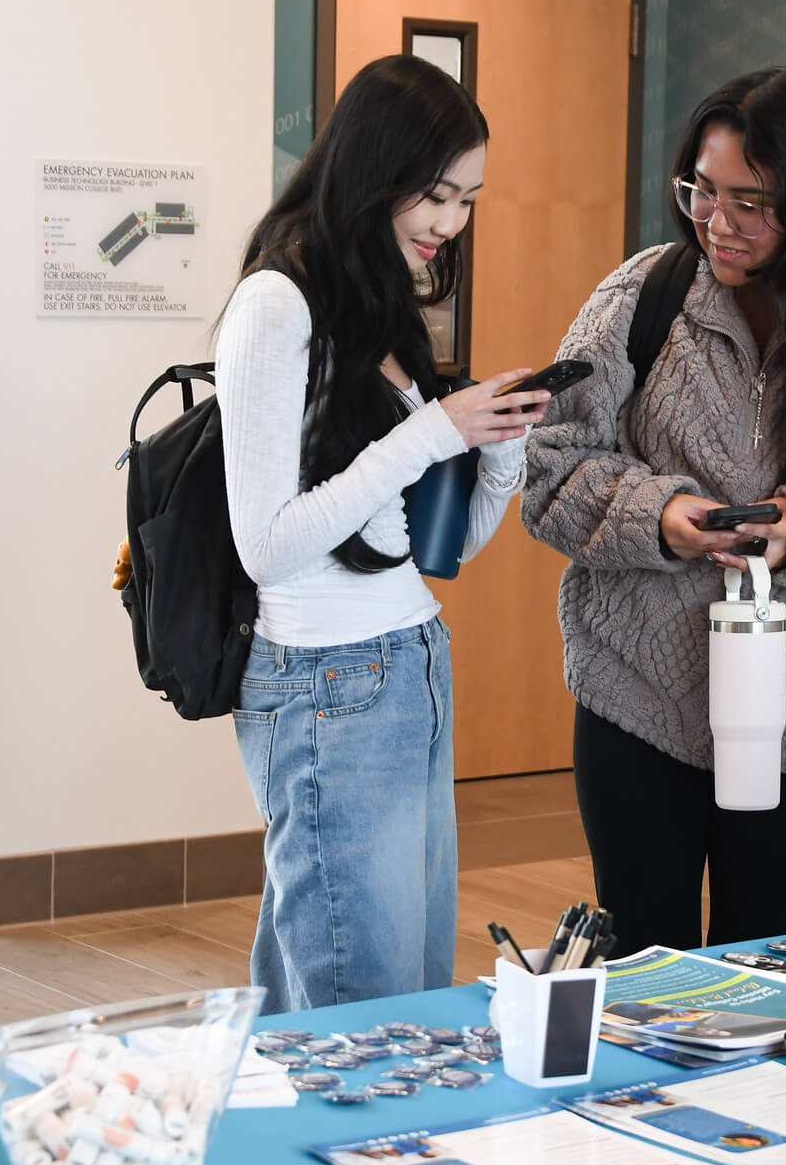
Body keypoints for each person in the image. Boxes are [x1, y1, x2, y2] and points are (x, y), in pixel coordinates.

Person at [522, 67, 786, 956]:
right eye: (702, 192)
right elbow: (548, 470)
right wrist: (662, 514)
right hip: (637, 698)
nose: (719, 223)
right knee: (643, 964)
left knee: (766, 962)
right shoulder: (640, 296)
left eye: (752, 203)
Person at [218, 54, 551, 1012]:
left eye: (470, 199)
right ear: (374, 172)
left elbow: (434, 549)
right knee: (357, 1005)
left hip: (409, 660)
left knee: (399, 984)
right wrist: (428, 434)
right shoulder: (274, 305)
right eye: (437, 194)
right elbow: (267, 545)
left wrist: (497, 449)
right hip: (324, 679)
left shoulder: (382, 307)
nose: (451, 223)